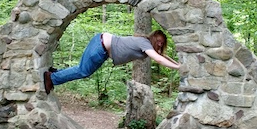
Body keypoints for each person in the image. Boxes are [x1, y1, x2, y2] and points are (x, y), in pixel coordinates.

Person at [43, 30, 180, 94]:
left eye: (162, 43)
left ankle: (55, 73)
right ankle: (52, 78)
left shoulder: (147, 45)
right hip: (101, 45)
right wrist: (178, 68)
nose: (160, 45)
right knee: (83, 71)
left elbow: (162, 55)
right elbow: (158, 58)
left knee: (83, 70)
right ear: (153, 39)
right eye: (158, 42)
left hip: (102, 48)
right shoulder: (144, 43)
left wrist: (178, 64)